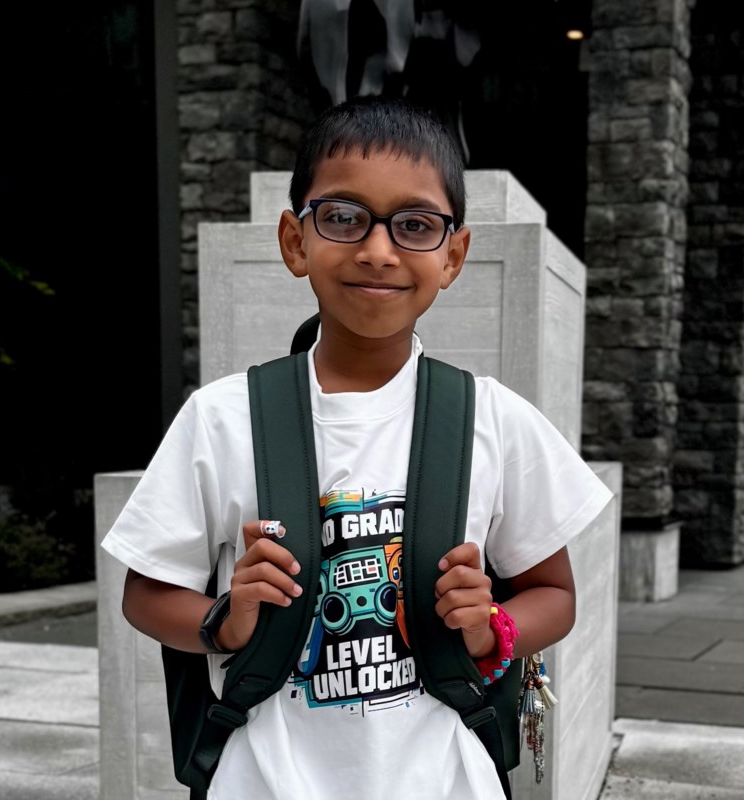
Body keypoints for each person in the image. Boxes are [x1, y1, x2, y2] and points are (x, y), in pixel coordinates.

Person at [101, 95, 613, 799]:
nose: (378, 249)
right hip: (263, 779)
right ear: (294, 240)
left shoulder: (493, 419)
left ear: (453, 255)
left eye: (415, 225)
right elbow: (146, 593)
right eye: (342, 218)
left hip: (445, 777)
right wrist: (223, 620)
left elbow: (553, 595)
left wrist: (492, 625)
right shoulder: (222, 419)